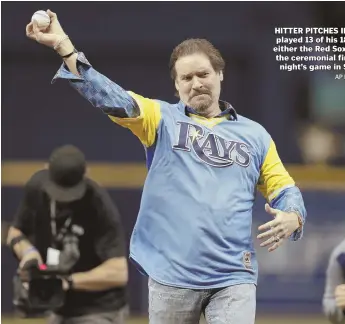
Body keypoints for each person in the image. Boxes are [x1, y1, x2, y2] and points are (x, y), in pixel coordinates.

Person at [25, 9, 307, 324]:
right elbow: (111, 97)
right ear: (177, 87)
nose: (197, 83)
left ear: (220, 75)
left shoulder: (255, 135)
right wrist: (64, 46)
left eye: (204, 74)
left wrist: (293, 215)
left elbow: (284, 188)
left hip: (233, 275)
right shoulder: (161, 118)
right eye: (186, 78)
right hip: (172, 273)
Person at [6, 144, 129, 324]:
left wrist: (68, 281)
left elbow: (119, 272)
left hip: (100, 309)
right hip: (58, 308)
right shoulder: (36, 188)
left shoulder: (98, 204)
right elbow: (15, 232)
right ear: (46, 170)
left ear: (85, 175)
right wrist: (28, 253)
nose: (63, 199)